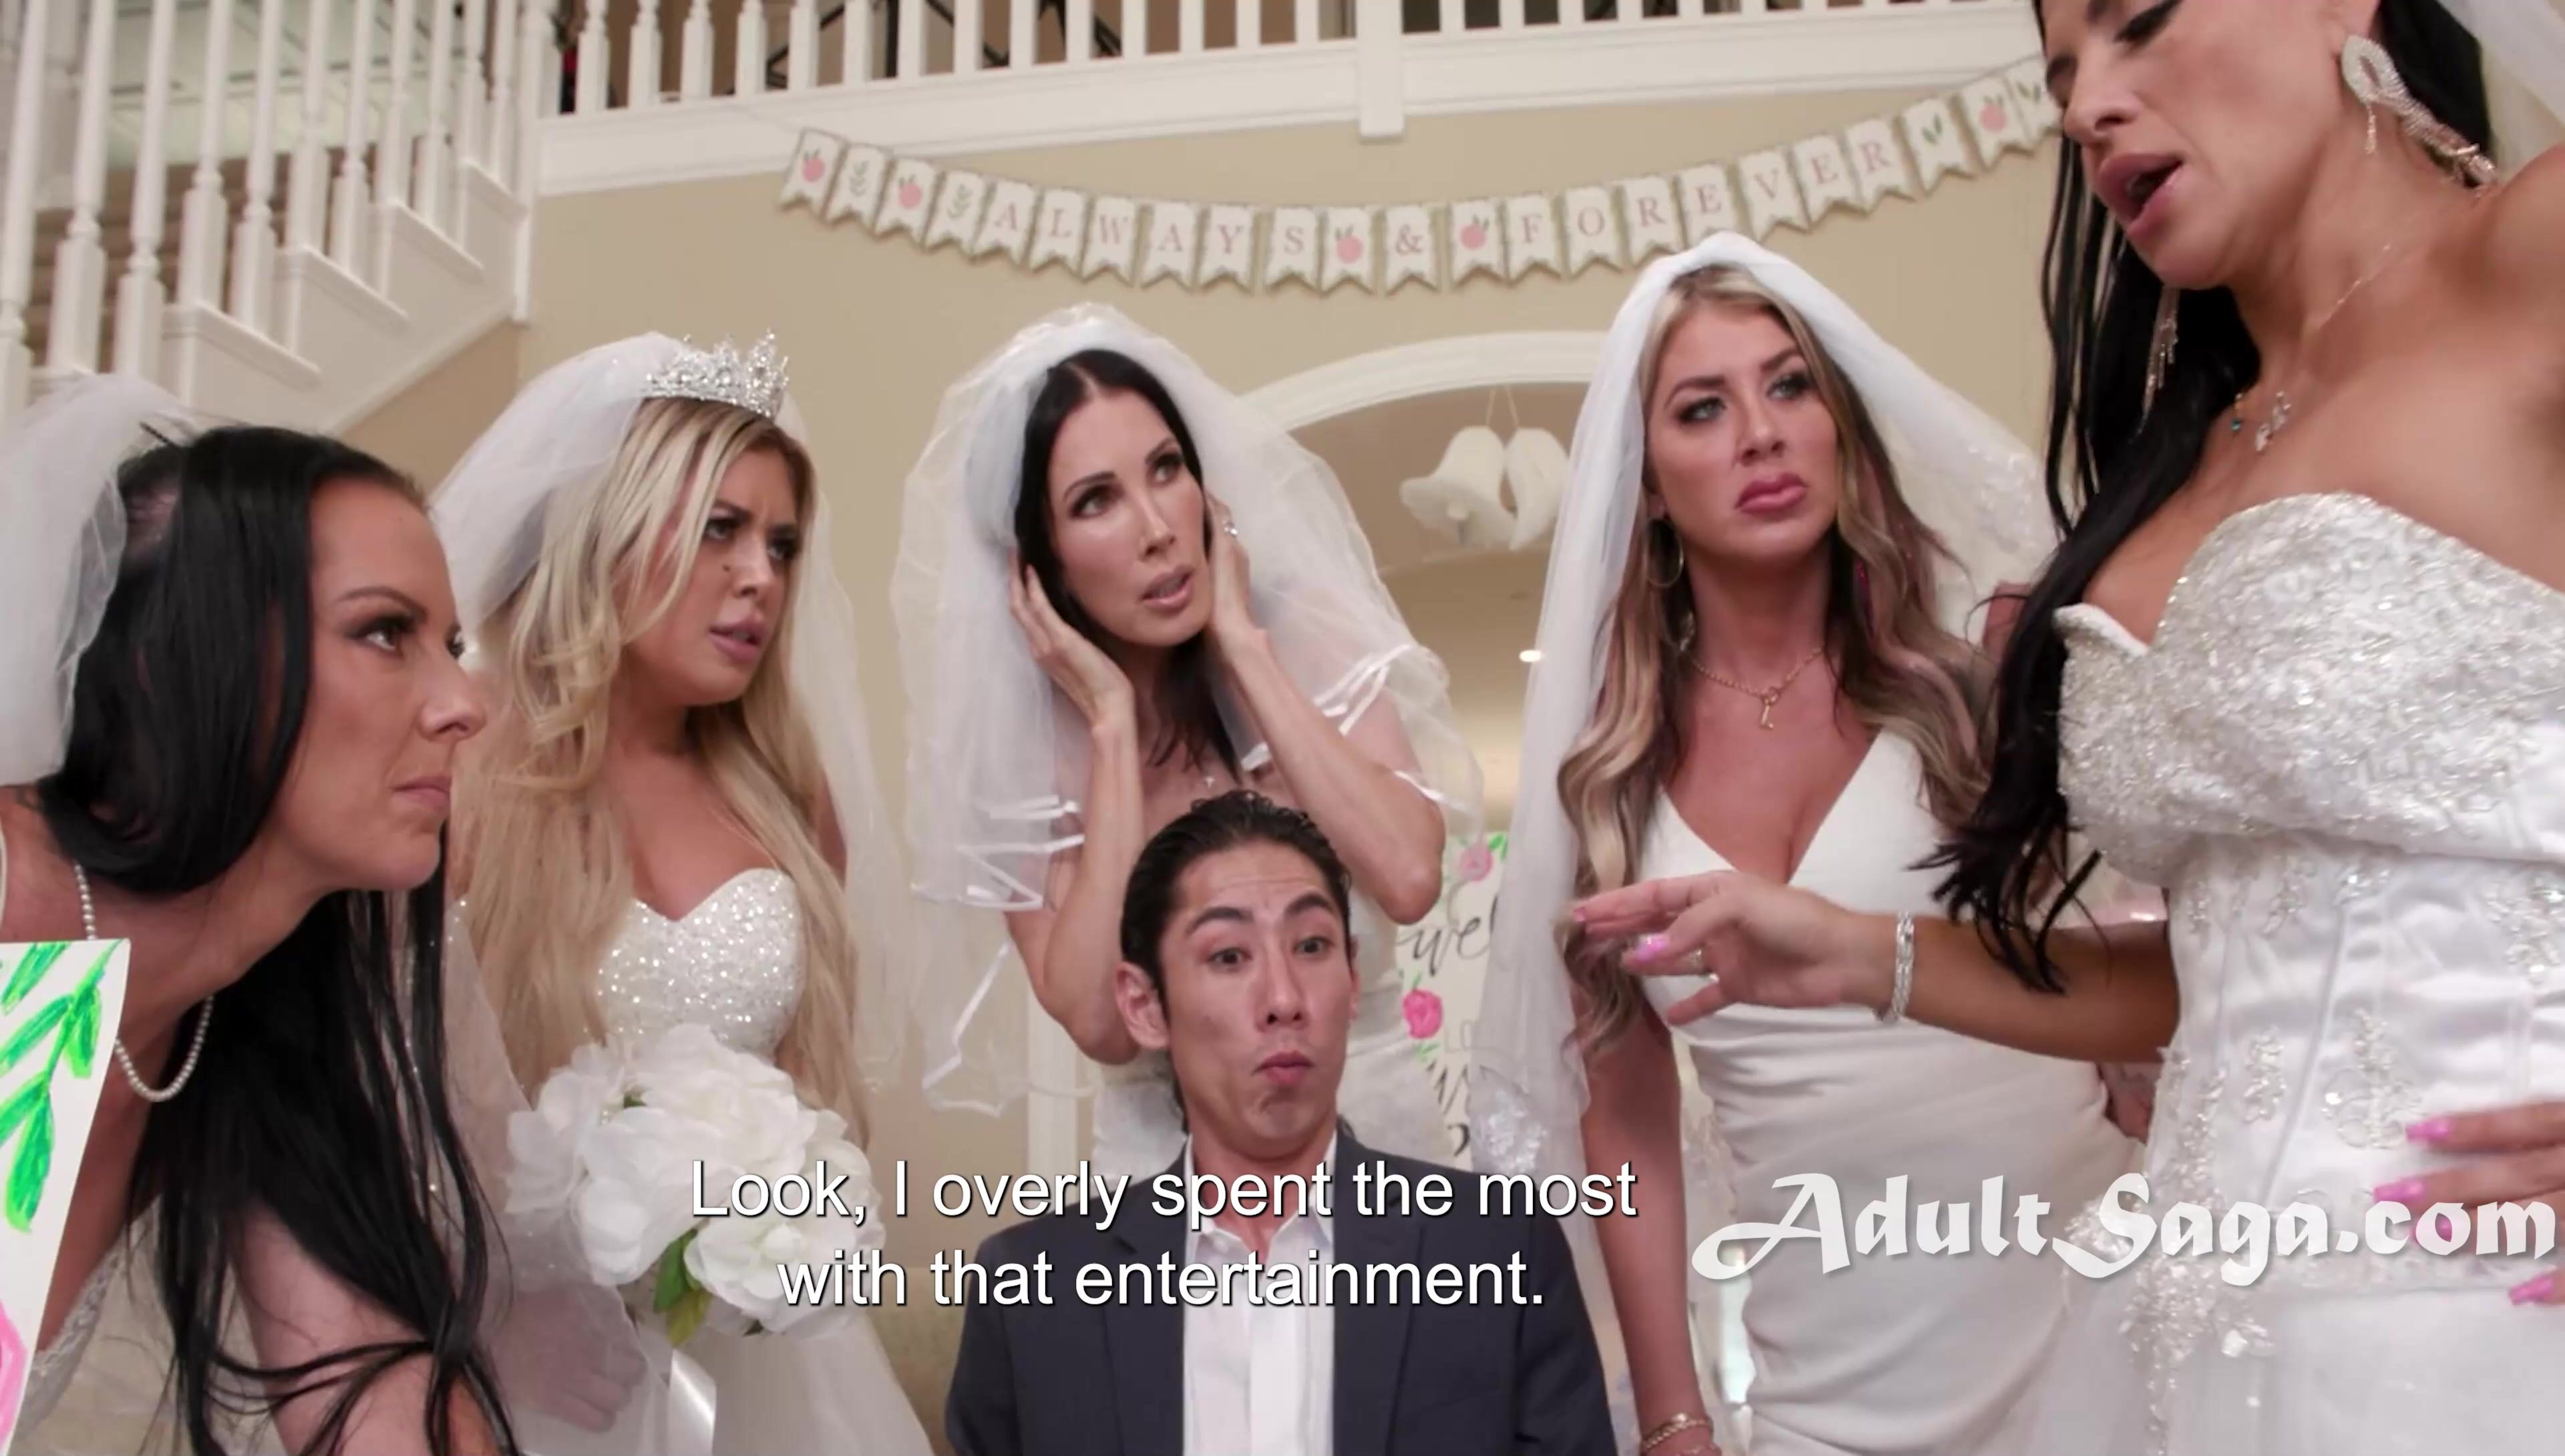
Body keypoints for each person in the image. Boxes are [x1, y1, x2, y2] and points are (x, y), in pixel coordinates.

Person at [1568, 3, 2565, 1453]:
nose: (2090, 103)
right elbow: (2220, 970)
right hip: (2210, 1329)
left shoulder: (2531, 258)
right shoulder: (2184, 461)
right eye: (2061, 75)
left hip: (2492, 1307)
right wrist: (1852, 952)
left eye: (2138, 22)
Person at [1468, 234, 2134, 1456]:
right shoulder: (1611, 784)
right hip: (1826, 1375)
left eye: (1789, 388)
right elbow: (1626, 1126)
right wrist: (1674, 1418)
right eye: (1703, 409)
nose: (1761, 435)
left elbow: (2114, 966)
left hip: (2088, 1304)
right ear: (1648, 486)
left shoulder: (1974, 687)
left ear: (1840, 427)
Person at [0, 377, 519, 1454]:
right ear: (185, 655)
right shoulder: (19, 913)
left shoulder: (233, 1014)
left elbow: (375, 1391)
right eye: (385, 633)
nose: (465, 706)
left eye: (451, 645)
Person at [432, 333, 928, 1455]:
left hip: (768, 1375)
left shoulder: (787, 795)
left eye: (782, 545)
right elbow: (375, 1100)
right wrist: (501, 1311)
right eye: (720, 529)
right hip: (520, 1357)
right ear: (611, 528)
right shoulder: (462, 768)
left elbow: (808, 1093)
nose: (762, 578)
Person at [890, 306, 1481, 1175]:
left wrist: (1246, 650)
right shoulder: (1025, 750)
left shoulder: (1304, 639)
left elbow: (1406, 875)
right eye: (1096, 501)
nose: (1157, 528)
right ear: (1039, 564)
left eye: (1166, 470)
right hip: (1159, 1182)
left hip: (1378, 1149)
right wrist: (1110, 724)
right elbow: (1102, 1024)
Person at [945, 789, 1612, 1456]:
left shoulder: (1498, 1249)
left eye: (1312, 945)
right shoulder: (1033, 1291)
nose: (1285, 998)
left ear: (1353, 981)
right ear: (1145, 1006)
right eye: (1229, 956)